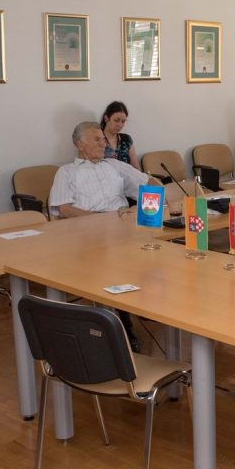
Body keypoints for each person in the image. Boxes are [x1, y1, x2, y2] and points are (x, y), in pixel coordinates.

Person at [49, 121, 157, 351]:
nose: (103, 143)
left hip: (122, 229)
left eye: (103, 139)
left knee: (153, 254)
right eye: (97, 139)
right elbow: (64, 209)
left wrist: (155, 201)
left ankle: (147, 304)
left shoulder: (114, 165)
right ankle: (123, 325)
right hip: (88, 237)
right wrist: (100, 220)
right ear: (80, 145)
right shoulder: (67, 172)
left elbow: (147, 183)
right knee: (117, 265)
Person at [100, 101, 140, 169]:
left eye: (123, 121)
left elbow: (136, 168)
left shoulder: (126, 139)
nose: (120, 125)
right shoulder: (97, 139)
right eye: (116, 120)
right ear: (106, 118)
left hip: (127, 175)